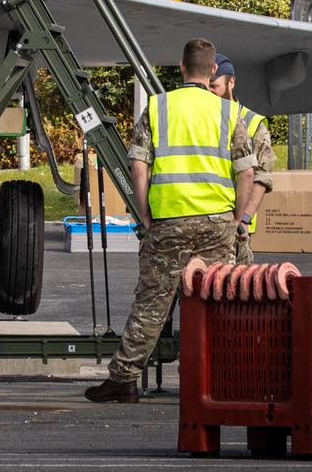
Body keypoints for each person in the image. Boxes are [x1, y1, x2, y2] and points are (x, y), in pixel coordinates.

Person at [86, 38, 256, 404]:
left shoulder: (158, 107)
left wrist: (145, 213)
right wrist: (237, 216)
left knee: (152, 302)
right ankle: (223, 380)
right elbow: (247, 172)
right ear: (213, 71)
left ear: (180, 67)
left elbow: (138, 165)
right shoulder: (229, 114)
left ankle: (125, 379)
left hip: (168, 222)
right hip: (216, 223)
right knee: (219, 302)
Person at [210, 56, 272, 265]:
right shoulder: (204, 117)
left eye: (214, 86)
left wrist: (244, 218)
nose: (209, 92)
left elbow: (261, 175)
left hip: (237, 227)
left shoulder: (252, 121)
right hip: (208, 221)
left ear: (231, 83)